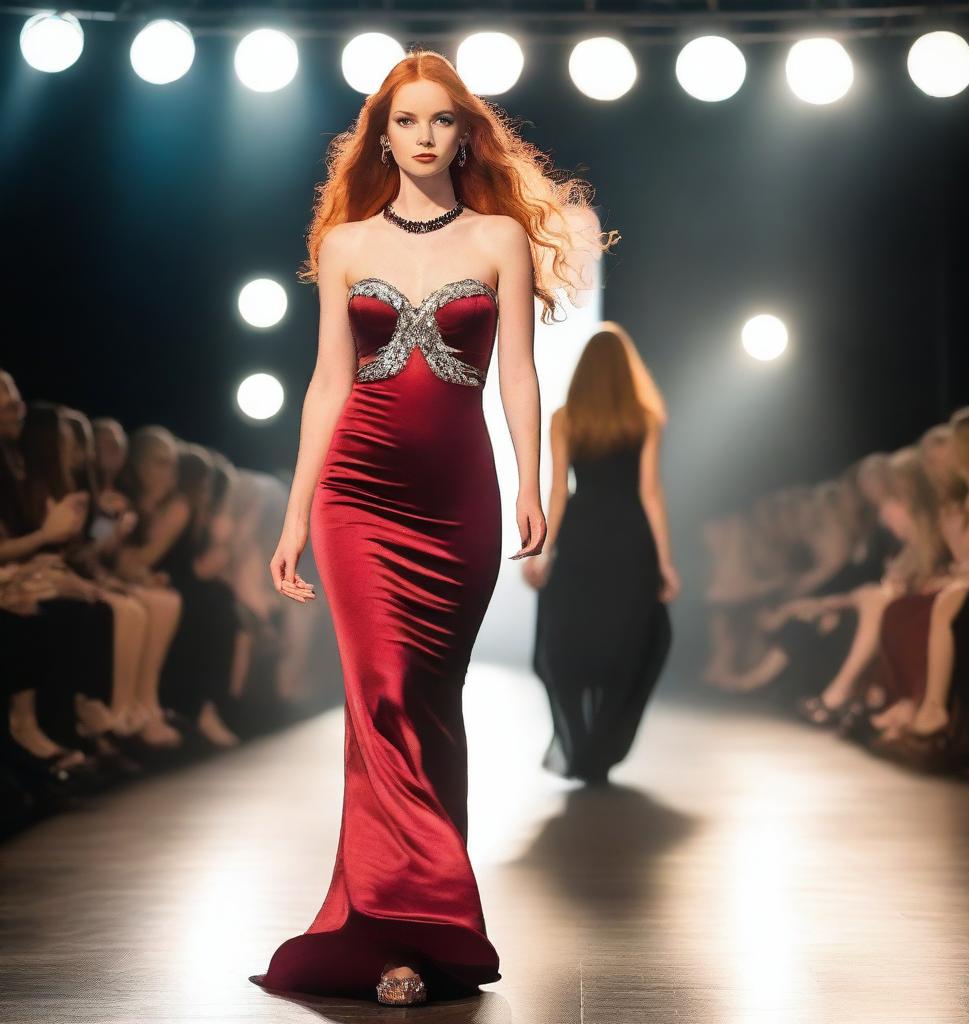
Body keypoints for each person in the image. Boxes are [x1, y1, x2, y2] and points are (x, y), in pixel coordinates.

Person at [249, 49, 616, 1006]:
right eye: (404, 122)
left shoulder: (499, 238)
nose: (422, 137)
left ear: (464, 133)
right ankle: (397, 933)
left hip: (459, 497)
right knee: (379, 698)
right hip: (355, 496)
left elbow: (521, 375)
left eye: (440, 121)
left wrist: (533, 483)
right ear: (383, 136)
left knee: (428, 709)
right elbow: (328, 383)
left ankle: (425, 926)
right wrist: (293, 515)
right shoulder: (345, 245)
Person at [523, 322, 678, 784]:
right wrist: (665, 561)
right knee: (629, 643)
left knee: (566, 643)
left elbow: (557, 491)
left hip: (581, 536)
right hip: (630, 539)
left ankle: (581, 742)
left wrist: (542, 550)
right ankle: (600, 748)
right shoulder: (645, 419)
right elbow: (650, 493)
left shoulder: (564, 418)